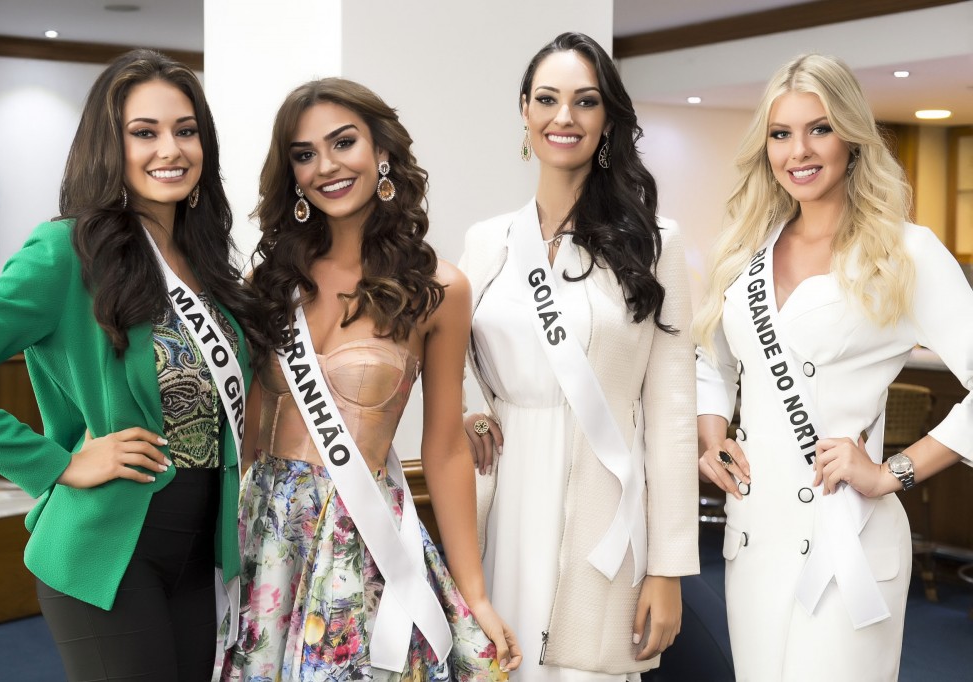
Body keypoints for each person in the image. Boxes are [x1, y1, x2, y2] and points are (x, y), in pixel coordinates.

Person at [0, 49, 261, 681]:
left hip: (203, 550)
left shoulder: (205, 261)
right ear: (107, 145)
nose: (169, 149)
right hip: (109, 550)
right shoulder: (67, 251)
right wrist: (58, 464)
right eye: (143, 133)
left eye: (186, 130)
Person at [220, 78, 521, 681]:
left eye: (343, 142)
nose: (325, 166)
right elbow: (247, 433)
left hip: (361, 535)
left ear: (382, 152)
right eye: (304, 154)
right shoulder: (270, 282)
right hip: (265, 532)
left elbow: (445, 448)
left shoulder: (438, 288)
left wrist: (475, 594)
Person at [694, 53, 973, 681]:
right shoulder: (746, 249)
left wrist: (892, 472)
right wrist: (712, 435)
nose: (799, 151)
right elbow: (709, 357)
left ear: (851, 134)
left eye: (819, 128)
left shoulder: (906, 251)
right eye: (780, 133)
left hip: (850, 534)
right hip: (755, 537)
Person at [460, 32, 699, 681]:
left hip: (603, 496)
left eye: (585, 101)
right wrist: (470, 411)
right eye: (548, 99)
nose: (564, 117)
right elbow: (451, 358)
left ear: (608, 118)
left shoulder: (656, 245)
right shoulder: (485, 242)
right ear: (525, 110)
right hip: (503, 498)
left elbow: (674, 415)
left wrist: (669, 569)